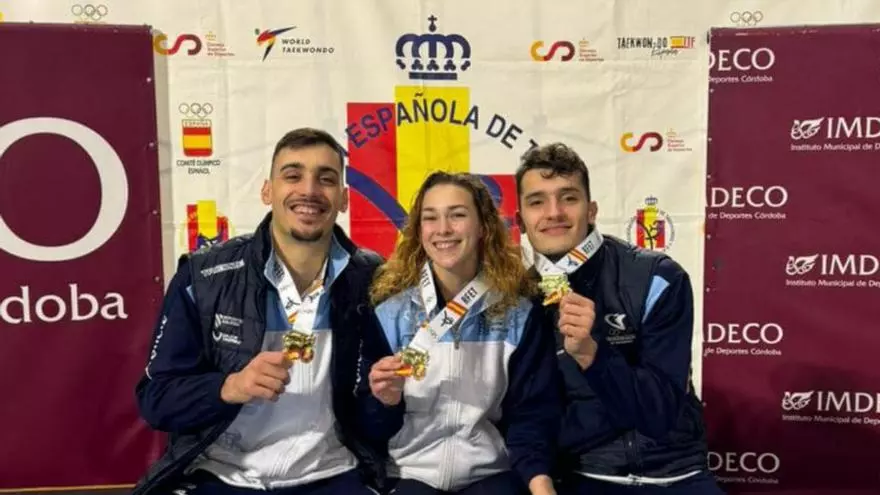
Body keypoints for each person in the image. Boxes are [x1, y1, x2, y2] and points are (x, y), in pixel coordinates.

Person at [132, 128, 387, 495]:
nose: (309, 190)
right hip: (222, 476)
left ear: (344, 199)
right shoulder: (204, 276)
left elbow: (378, 414)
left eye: (326, 179)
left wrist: (386, 398)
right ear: (267, 191)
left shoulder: (372, 279)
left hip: (334, 475)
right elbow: (156, 399)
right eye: (293, 175)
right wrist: (230, 386)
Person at [514, 143, 723, 494]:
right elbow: (529, 414)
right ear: (521, 220)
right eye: (537, 202)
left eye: (568, 198)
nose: (554, 213)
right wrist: (541, 481)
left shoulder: (658, 277)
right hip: (586, 476)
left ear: (592, 210)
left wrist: (591, 355)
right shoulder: (521, 298)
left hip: (676, 474)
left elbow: (659, 413)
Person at [364, 172, 561, 495]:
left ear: (483, 226)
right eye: (431, 218)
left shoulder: (519, 315)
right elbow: (368, 427)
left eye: (457, 215)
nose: (443, 229)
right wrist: (385, 402)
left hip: (492, 475)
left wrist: (541, 484)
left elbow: (531, 415)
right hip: (407, 476)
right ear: (419, 231)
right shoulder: (389, 315)